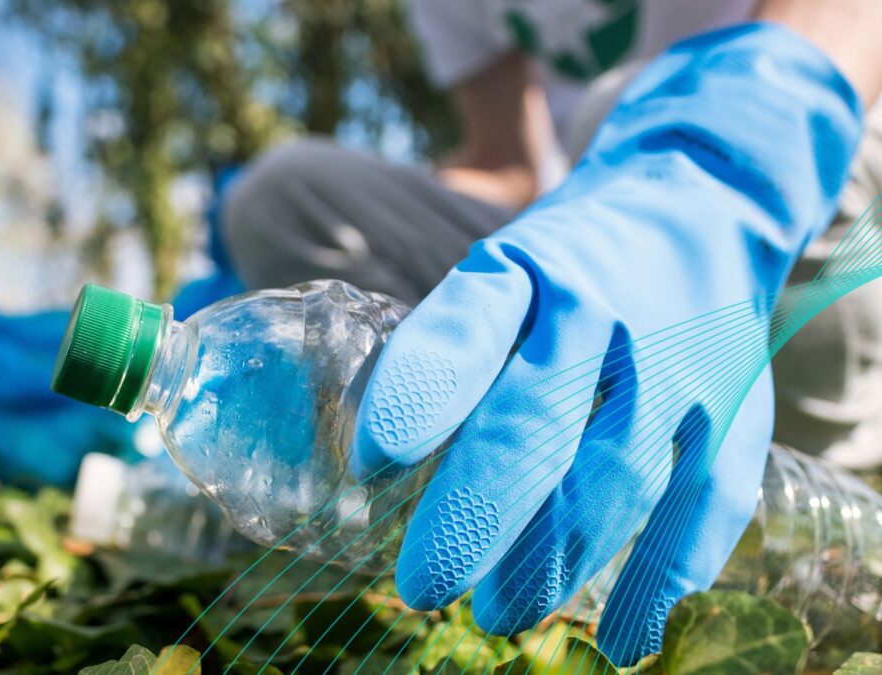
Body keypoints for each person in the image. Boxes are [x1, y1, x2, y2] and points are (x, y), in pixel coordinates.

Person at [220, 0, 882, 665]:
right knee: (283, 197)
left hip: (818, 191)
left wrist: (719, 175)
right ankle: (555, 455)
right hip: (596, 225)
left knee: (612, 100)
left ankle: (757, 449)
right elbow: (508, 169)